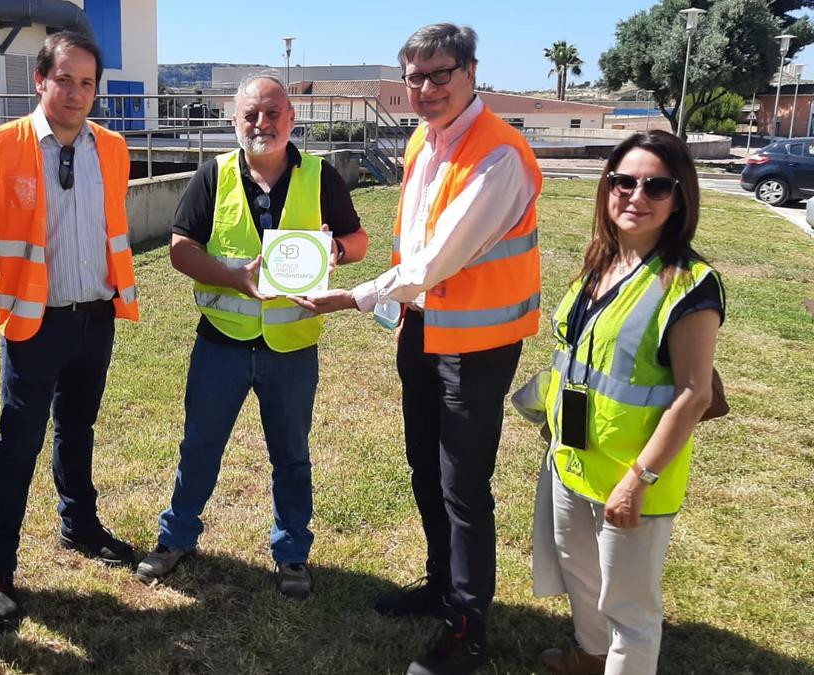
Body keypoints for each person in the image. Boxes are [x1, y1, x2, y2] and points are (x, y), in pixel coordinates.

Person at [294, 23, 542, 674]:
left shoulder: (499, 155)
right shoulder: (421, 143)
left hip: (479, 345)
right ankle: (440, 586)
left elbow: (436, 259)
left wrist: (356, 296)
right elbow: (412, 243)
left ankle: (469, 632)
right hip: (423, 328)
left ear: (471, 72)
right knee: (423, 468)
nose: (427, 88)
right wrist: (399, 311)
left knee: (464, 487)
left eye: (441, 73)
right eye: (416, 76)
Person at [133, 73, 368, 599]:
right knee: (199, 447)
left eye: (271, 113)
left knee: (291, 455)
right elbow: (179, 249)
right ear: (234, 121)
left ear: (291, 119)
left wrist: (336, 253)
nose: (261, 123)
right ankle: (176, 539)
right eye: (250, 115)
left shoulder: (320, 176)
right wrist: (233, 277)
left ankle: (292, 554)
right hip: (222, 342)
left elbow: (359, 239)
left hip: (292, 349)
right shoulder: (211, 175)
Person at [535, 130, 724, 675]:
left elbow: (694, 395)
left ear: (679, 196)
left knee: (631, 609)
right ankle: (592, 659)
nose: (636, 195)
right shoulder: (602, 260)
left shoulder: (690, 284)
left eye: (656, 185)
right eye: (623, 181)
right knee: (582, 578)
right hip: (574, 459)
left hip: (633, 476)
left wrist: (637, 479)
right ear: (607, 187)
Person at [0, 31, 139, 630]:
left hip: (95, 316)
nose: (74, 92)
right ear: (40, 80)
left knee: (78, 427)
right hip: (33, 322)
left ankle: (81, 527)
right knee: (18, 441)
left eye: (86, 82)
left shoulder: (113, 148)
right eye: (63, 79)